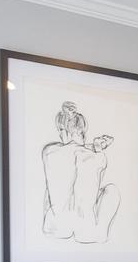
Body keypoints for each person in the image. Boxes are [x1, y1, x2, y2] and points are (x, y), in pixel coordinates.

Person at [41, 102, 122, 243]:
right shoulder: (98, 158)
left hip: (54, 227)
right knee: (111, 189)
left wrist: (93, 147)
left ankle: (55, 222)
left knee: (51, 185)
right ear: (83, 132)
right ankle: (100, 233)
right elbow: (94, 186)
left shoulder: (49, 151)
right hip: (86, 231)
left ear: (62, 131)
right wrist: (98, 147)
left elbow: (70, 149)